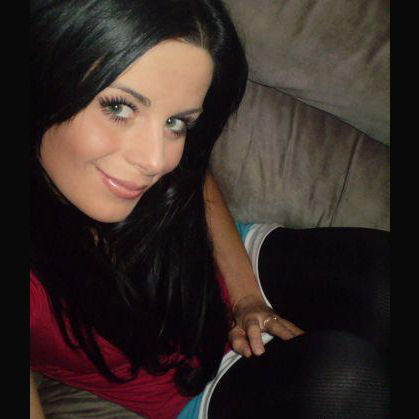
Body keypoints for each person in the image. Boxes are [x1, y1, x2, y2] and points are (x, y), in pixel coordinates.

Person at [30, 1, 390, 418]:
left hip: (224, 264)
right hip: (185, 388)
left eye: (175, 123)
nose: (156, 161)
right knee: (343, 383)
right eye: (118, 107)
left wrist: (245, 296)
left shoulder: (163, 162)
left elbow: (191, 175)